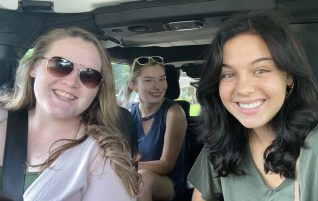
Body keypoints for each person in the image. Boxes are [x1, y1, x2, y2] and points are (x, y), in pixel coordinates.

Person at [188, 12, 318, 201]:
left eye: (261, 70)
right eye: (228, 74)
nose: (243, 88)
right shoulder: (221, 143)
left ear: (288, 76)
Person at [0, 27, 141, 201]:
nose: (72, 82)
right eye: (60, 65)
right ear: (34, 67)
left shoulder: (100, 157)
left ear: (98, 89)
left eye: (89, 75)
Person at [119, 56, 187, 201]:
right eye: (149, 80)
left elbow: (166, 165)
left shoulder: (174, 112)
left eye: (162, 79)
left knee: (143, 180)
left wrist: (127, 165)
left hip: (169, 184)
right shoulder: (129, 113)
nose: (158, 86)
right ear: (133, 85)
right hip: (134, 176)